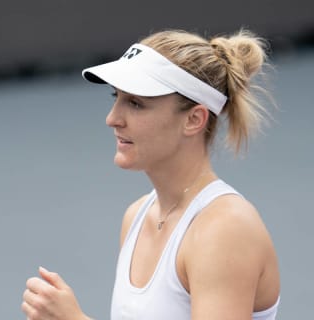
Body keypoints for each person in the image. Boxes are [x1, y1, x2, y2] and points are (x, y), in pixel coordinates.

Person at [21, 29, 280, 319]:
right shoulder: (136, 217)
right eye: (116, 98)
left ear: (194, 119)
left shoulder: (225, 229)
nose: (112, 118)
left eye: (136, 103)